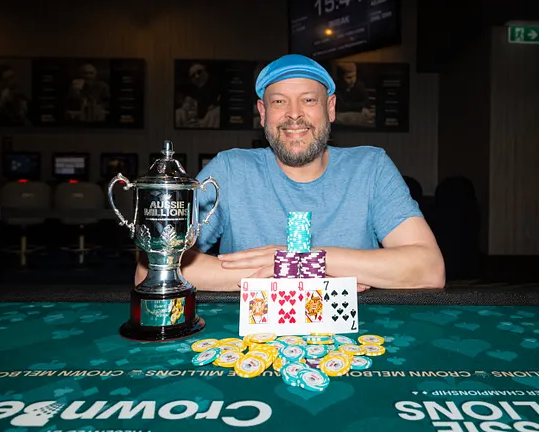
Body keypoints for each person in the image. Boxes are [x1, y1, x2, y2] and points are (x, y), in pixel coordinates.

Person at [136, 54, 445, 291]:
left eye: (308, 100)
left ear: (331, 108)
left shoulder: (371, 166)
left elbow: (430, 269)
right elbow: (151, 269)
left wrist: (306, 259)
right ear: (263, 113)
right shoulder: (230, 170)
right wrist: (295, 272)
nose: (294, 114)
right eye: (279, 101)